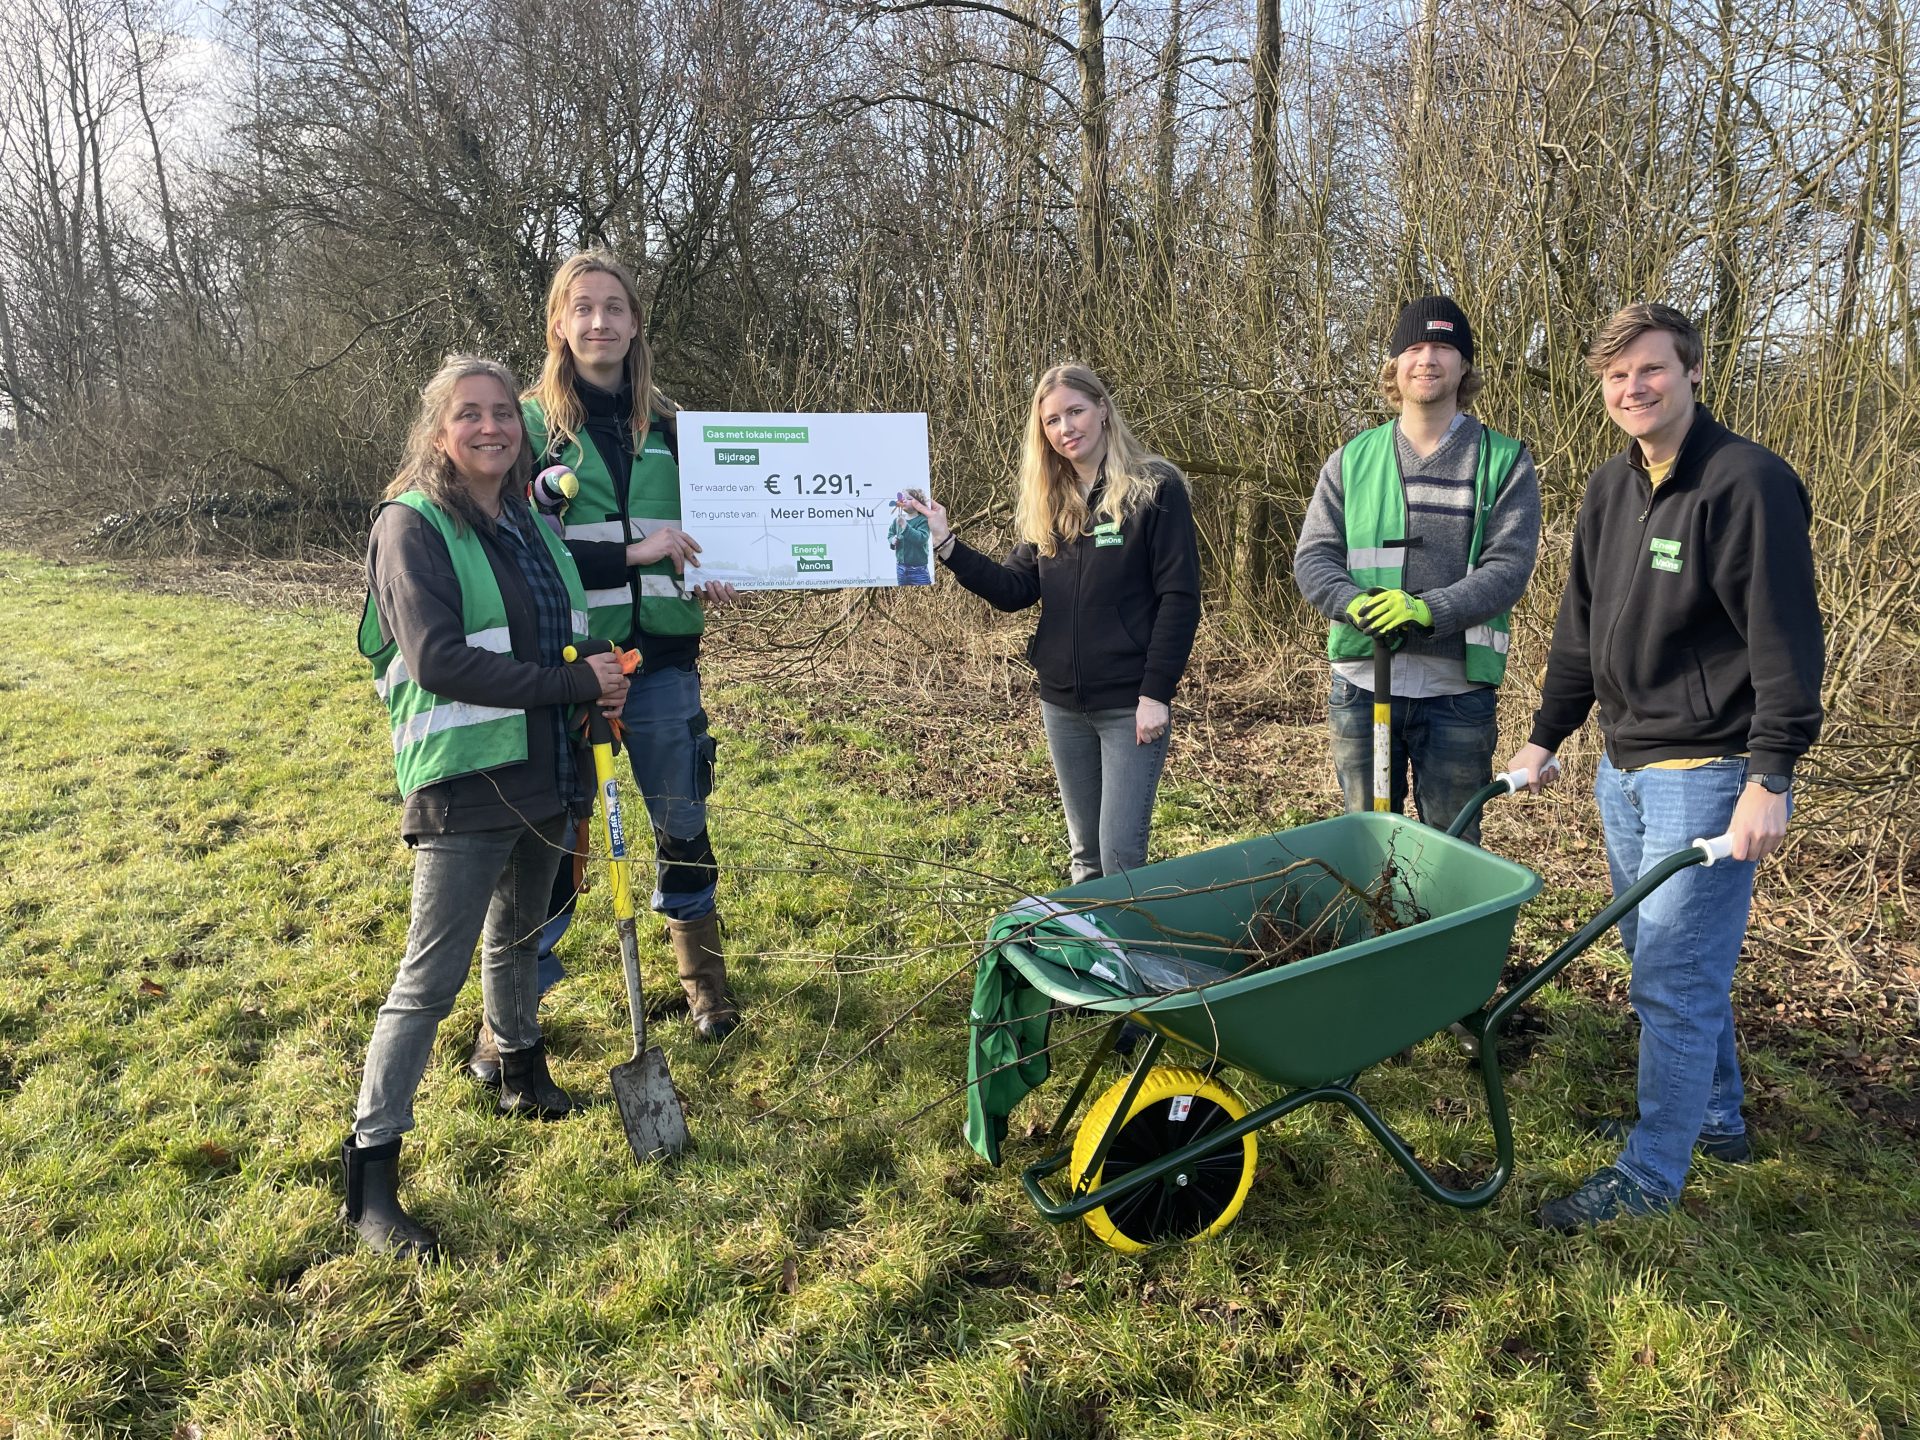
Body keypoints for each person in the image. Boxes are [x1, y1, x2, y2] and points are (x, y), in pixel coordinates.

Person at [1506, 303, 1824, 1229]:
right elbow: (1579, 631)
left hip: (1714, 773)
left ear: (1691, 372)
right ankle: (1714, 1119)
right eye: (1615, 377)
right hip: (1626, 769)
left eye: (1650, 370)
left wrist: (1773, 774)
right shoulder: (1610, 489)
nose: (1632, 389)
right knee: (1660, 956)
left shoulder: (1748, 484)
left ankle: (1650, 1177)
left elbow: (1786, 644)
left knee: (1673, 983)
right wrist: (1545, 735)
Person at [347, 354, 630, 1258]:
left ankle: (519, 1070)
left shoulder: (527, 517)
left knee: (520, 934)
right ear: (440, 432)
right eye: (469, 415)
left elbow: (566, 624)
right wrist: (565, 681)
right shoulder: (412, 525)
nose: (491, 428)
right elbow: (436, 659)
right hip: (467, 776)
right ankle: (370, 1177)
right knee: (428, 980)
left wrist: (603, 671)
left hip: (546, 762)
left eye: (503, 413)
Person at [471, 248, 739, 1076]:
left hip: (661, 661)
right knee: (548, 841)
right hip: (563, 667)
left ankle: (704, 985)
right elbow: (512, 542)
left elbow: (713, 523)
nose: (600, 322)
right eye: (582, 307)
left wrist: (721, 561)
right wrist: (633, 549)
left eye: (614, 307)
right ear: (559, 322)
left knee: (682, 819)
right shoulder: (517, 424)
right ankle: (510, 1016)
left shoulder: (672, 427)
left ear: (634, 322)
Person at [903, 363, 1201, 883]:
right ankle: (1092, 964)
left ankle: (1132, 962)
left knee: (1120, 859)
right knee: (1085, 857)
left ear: (1103, 410)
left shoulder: (1155, 488)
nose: (1066, 428)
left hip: (1129, 706)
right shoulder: (1051, 500)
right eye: (1052, 420)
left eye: (1076, 411)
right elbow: (1014, 590)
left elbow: (1180, 598)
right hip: (1062, 704)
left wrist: (1156, 692)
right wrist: (947, 545)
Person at [1294, 296, 1540, 844]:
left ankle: (1444, 932)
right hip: (1362, 686)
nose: (1427, 359)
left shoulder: (1504, 461)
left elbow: (1508, 569)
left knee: (1451, 850)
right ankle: (1383, 932)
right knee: (1370, 845)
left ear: (1465, 366)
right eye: (1415, 347)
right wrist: (1350, 603)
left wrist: (1432, 609)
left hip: (1457, 694)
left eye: (1444, 347)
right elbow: (1314, 558)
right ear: (1395, 365)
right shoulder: (1352, 460)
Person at [888, 488, 933, 585]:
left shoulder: (923, 520)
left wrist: (905, 526)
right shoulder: (897, 520)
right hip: (901, 568)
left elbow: (921, 539)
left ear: (918, 503)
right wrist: (892, 540)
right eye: (902, 498)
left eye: (908, 498)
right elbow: (890, 534)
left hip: (918, 570)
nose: (903, 500)